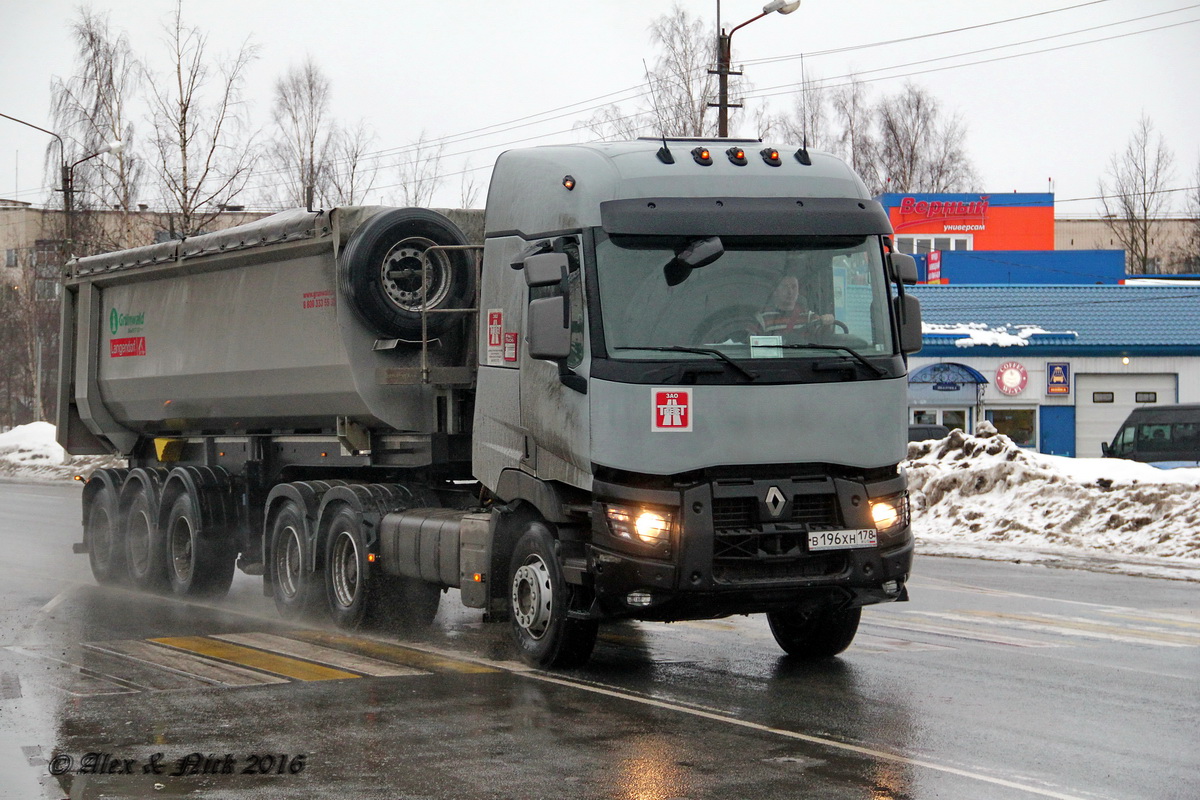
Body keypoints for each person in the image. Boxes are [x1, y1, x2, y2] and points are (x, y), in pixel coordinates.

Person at [749, 275, 835, 338]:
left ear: (798, 292)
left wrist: (827, 322)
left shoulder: (808, 317)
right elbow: (752, 342)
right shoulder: (763, 318)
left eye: (794, 287)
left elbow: (823, 337)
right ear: (775, 291)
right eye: (785, 287)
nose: (790, 292)